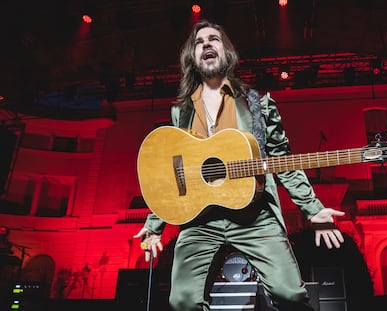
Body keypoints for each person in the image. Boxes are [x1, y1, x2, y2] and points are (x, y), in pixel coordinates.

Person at [134, 20, 345, 311]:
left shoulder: (258, 104)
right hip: (200, 222)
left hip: (254, 214)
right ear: (192, 58)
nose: (207, 44)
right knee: (182, 301)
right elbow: (173, 172)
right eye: (199, 42)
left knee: (291, 296)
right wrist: (154, 225)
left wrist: (313, 209)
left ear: (227, 52)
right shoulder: (180, 111)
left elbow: (281, 160)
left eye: (214, 39)